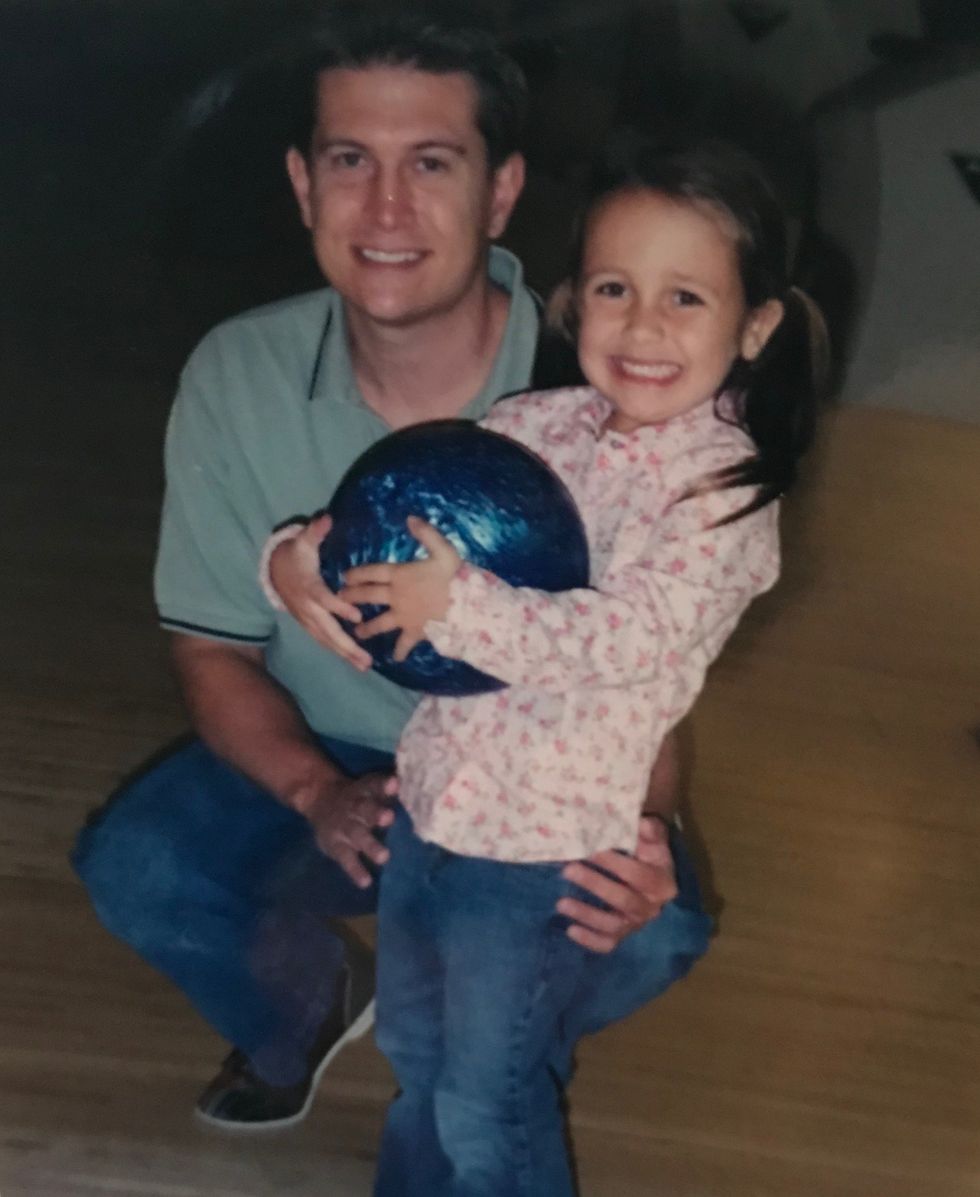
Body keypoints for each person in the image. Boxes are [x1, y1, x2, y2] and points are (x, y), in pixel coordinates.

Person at [71, 5, 685, 1133]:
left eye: (432, 163)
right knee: (143, 870)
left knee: (650, 930)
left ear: (501, 192)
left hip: (527, 775)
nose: (387, 209)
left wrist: (636, 834)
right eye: (352, 161)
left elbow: (645, 684)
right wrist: (316, 792)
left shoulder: (602, 389)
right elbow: (209, 645)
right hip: (331, 746)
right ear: (303, 185)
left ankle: (472, 1045)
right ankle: (304, 1005)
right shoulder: (239, 372)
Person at [267, 134, 826, 1195]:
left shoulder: (723, 498)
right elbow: (399, 526)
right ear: (573, 301)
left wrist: (459, 604)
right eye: (615, 288)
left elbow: (624, 638)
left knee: (489, 1098)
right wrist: (296, 558)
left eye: (685, 298)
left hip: (543, 854)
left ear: (755, 326)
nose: (643, 327)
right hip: (433, 806)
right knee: (417, 1057)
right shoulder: (530, 426)